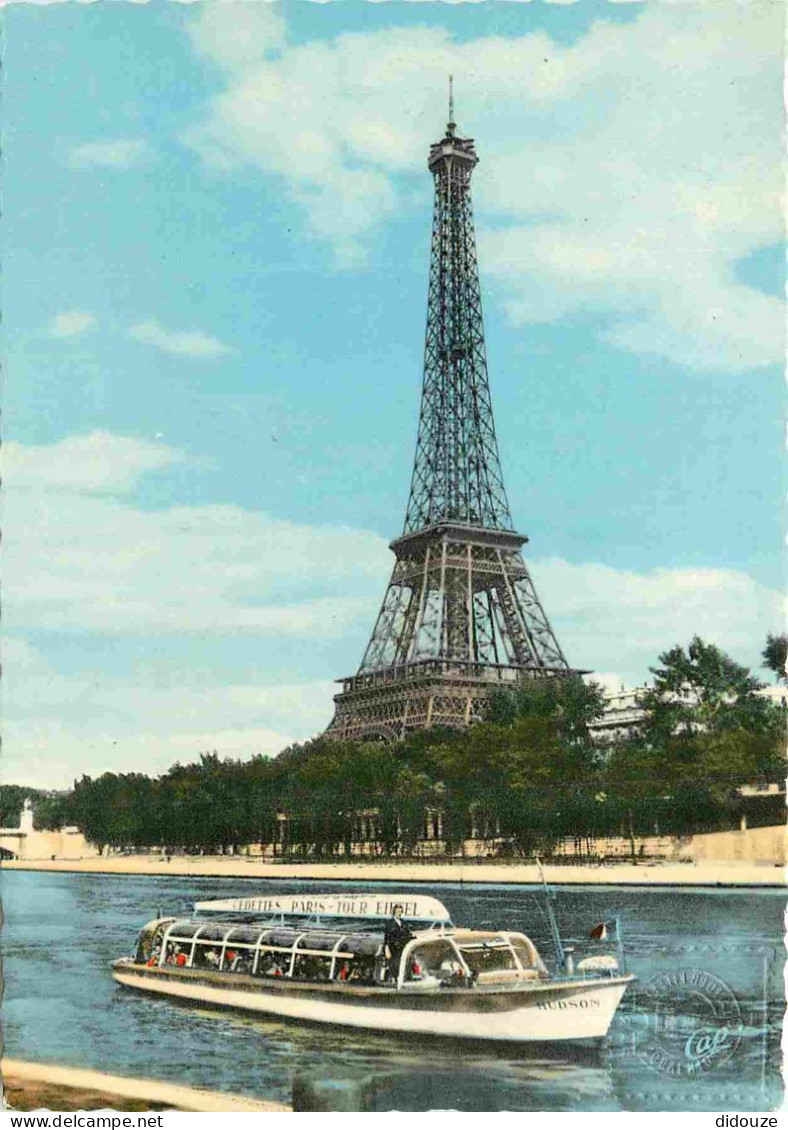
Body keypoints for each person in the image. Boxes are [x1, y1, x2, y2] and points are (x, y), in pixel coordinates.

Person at [384, 905, 413, 983]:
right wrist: (386, 948)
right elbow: (387, 937)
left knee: (404, 963)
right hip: (393, 947)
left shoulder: (403, 922)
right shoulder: (390, 923)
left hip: (403, 946)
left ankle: (404, 979)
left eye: (400, 911)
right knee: (395, 964)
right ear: (394, 912)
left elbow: (408, 933)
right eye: (397, 911)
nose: (399, 913)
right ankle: (394, 979)